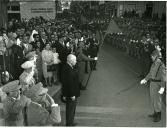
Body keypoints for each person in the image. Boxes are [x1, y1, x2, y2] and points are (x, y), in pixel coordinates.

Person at [140, 50, 166, 122]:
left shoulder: (161, 65)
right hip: (152, 83)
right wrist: (145, 79)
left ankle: (159, 115)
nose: (151, 57)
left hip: (158, 84)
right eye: (152, 56)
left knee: (157, 100)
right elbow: (150, 73)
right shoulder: (154, 64)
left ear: (157, 56)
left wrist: (163, 87)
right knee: (153, 99)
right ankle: (155, 112)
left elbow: (164, 77)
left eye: (153, 56)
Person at [61, 54, 80, 126]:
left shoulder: (68, 66)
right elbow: (69, 83)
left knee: (72, 109)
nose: (76, 61)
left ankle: (70, 122)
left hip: (70, 93)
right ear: (71, 61)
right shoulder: (68, 69)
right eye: (75, 60)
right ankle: (69, 124)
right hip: (71, 93)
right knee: (70, 109)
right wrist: (72, 94)